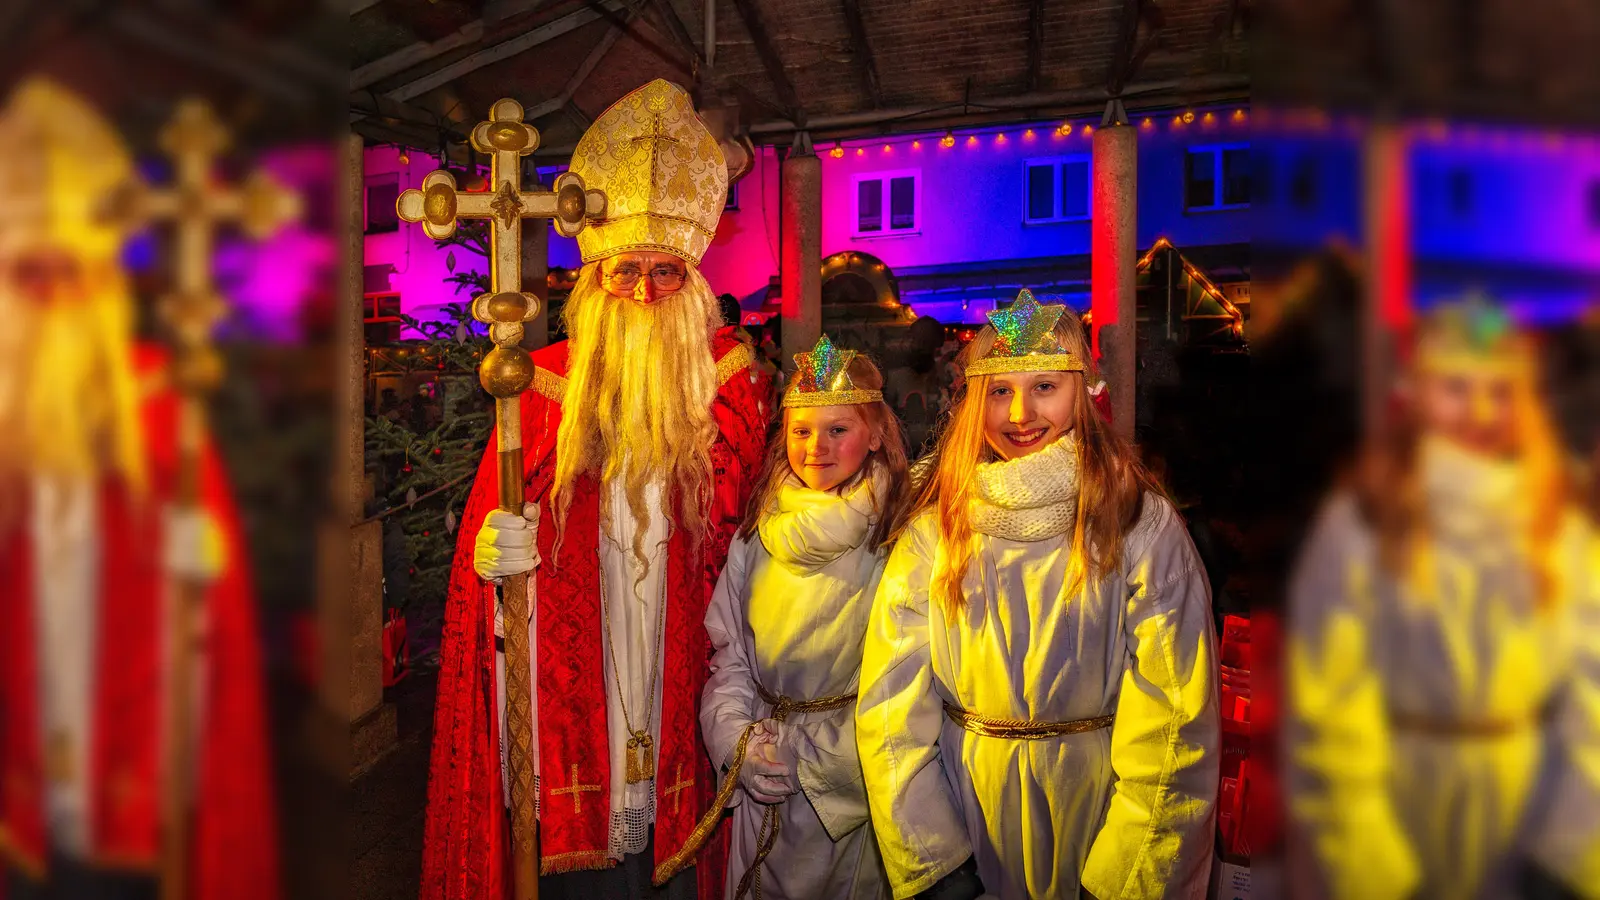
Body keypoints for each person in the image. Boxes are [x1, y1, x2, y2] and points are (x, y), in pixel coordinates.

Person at [421, 80, 771, 900]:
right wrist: (490, 561)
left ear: (695, 286)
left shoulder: (731, 391)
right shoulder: (539, 392)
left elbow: (760, 544)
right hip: (570, 694)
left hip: (684, 673)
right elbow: (492, 567)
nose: (644, 293)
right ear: (593, 283)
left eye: (663, 274)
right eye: (623, 274)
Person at [0, 79, 278, 900]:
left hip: (125, 777)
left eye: (70, 274)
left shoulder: (158, 403)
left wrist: (196, 563)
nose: (53, 296)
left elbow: (212, 628)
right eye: (30, 274)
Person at [857, 289, 1220, 899]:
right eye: (1000, 390)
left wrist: (1124, 872)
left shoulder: (1135, 522)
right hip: (965, 802)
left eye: (1045, 386)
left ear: (1084, 390)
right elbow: (891, 703)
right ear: (976, 402)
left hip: (1097, 808)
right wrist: (935, 856)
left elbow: (1176, 712)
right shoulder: (938, 525)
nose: (1020, 412)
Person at [1284, 298, 1598, 900]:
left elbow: (1591, 692)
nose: (1480, 411)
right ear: (1419, 395)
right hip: (1402, 796)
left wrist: (1572, 845)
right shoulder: (1362, 524)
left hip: (1529, 809)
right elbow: (1331, 703)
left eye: (1500, 391)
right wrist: (1369, 858)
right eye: (1457, 387)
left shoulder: (1559, 525)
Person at [700, 336, 907, 899]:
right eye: (801, 430)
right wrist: (737, 743)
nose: (816, 446)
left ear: (875, 436)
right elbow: (731, 656)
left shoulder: (897, 537)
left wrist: (814, 762)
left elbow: (907, 684)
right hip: (762, 763)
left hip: (846, 784)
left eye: (838, 429)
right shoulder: (758, 531)